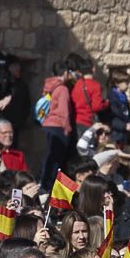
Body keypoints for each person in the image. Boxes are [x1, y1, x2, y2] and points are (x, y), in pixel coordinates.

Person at [39, 59, 77, 189]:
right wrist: (68, 130)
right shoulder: (62, 88)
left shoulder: (49, 86)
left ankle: (45, 184)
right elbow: (63, 111)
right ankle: (50, 188)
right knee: (57, 161)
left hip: (48, 125)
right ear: (65, 72)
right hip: (58, 127)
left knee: (49, 158)